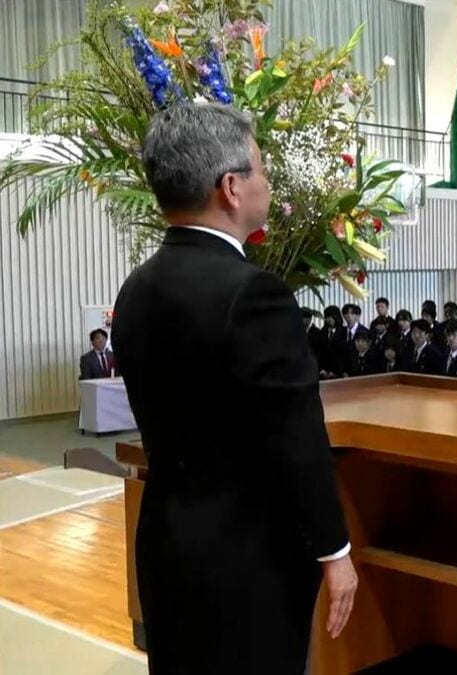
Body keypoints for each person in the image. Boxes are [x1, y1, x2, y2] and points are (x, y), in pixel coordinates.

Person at [110, 104, 355, 674]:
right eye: (260, 169)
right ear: (231, 187)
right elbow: (297, 437)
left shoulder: (136, 288)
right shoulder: (253, 294)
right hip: (247, 561)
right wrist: (335, 550)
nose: (266, 182)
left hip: (166, 542)